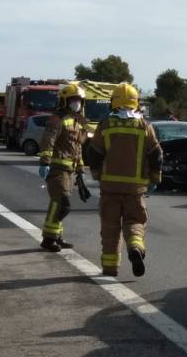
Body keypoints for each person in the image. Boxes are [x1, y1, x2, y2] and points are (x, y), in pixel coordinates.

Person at [85, 83, 163, 277]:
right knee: (135, 222)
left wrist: (96, 174)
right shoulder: (144, 125)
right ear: (136, 102)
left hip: (110, 188)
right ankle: (135, 247)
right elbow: (156, 154)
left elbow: (93, 153)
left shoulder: (105, 125)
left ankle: (110, 267)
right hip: (135, 189)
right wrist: (154, 178)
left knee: (110, 228)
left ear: (114, 102)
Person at [37, 83, 88, 252]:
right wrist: (45, 161)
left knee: (57, 203)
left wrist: (80, 170)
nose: (77, 103)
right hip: (57, 169)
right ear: (64, 101)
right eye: (73, 99)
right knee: (62, 203)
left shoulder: (78, 122)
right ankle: (48, 238)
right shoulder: (58, 118)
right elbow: (48, 139)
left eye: (79, 100)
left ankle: (56, 236)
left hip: (70, 171)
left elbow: (77, 148)